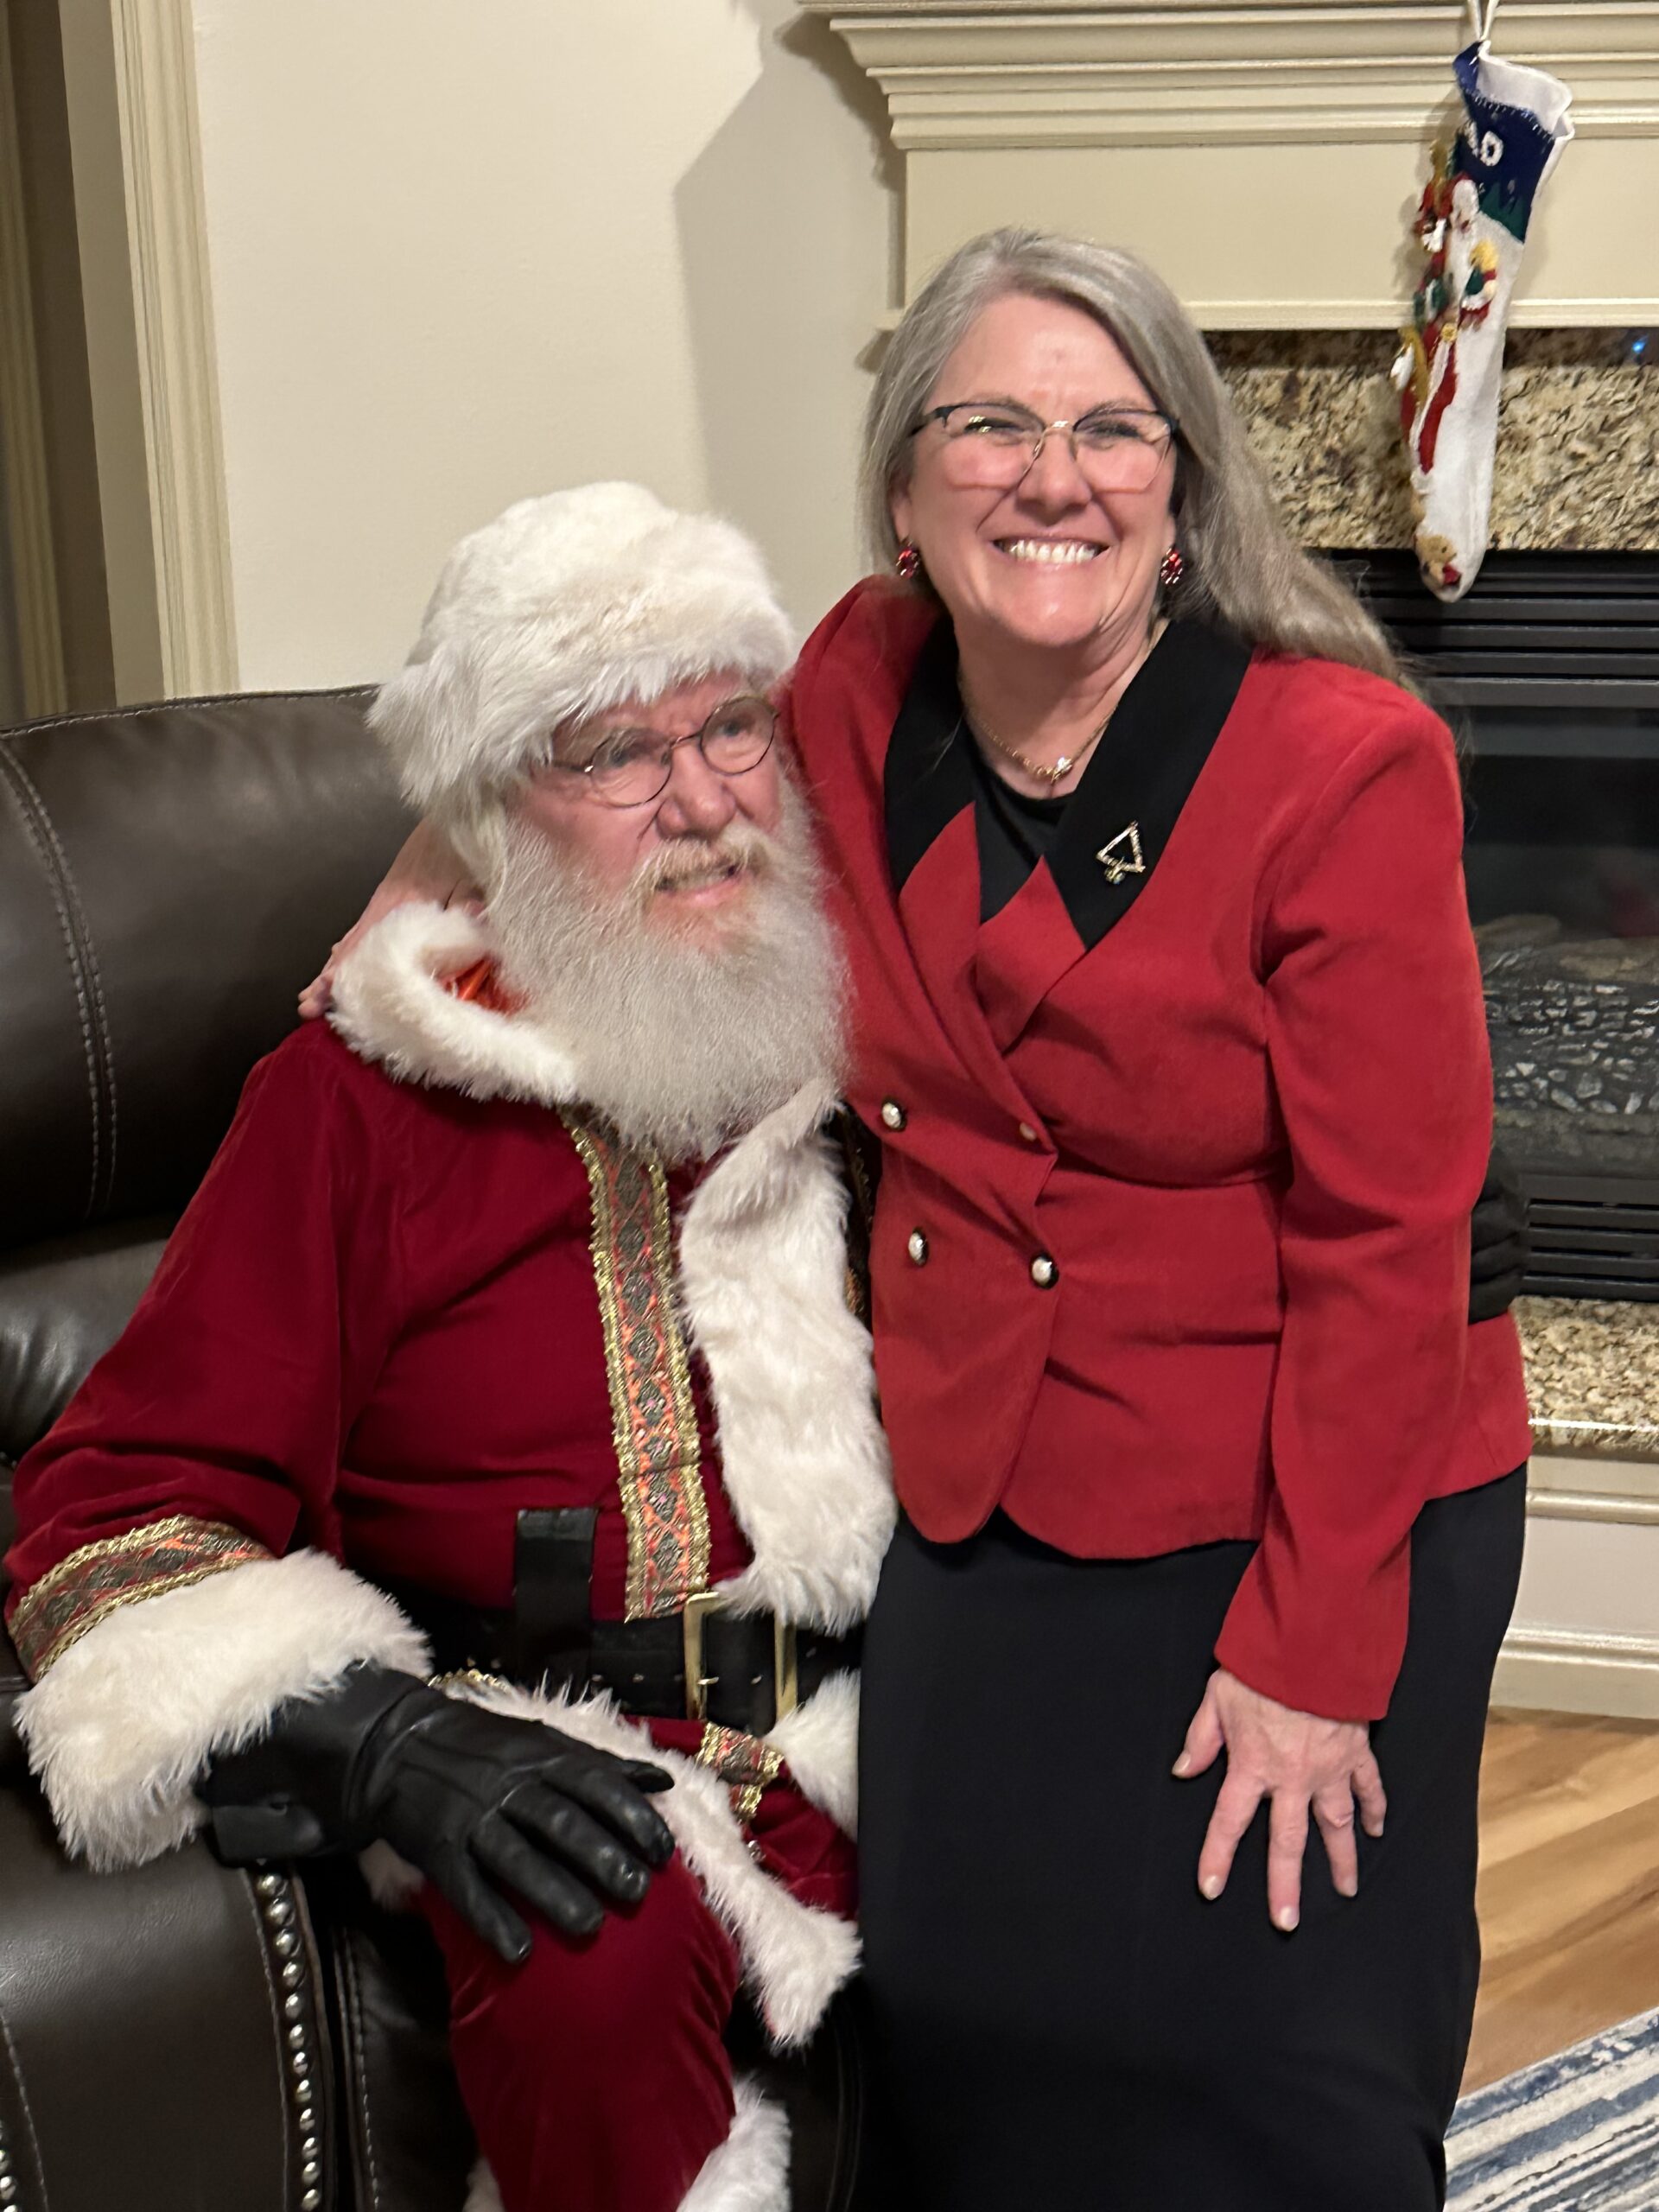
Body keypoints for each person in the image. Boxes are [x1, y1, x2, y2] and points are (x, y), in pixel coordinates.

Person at [317, 229, 1535, 2212]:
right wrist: (410, 893)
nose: (1053, 476)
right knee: (975, 2027)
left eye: (1111, 429)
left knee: (1275, 2056)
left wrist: (1318, 1648)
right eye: (990, 425)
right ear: (902, 487)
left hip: (1311, 1480)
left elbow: (1392, 1245)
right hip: (983, 1473)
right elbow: (598, 748)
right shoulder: (858, 682)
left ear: (1178, 487)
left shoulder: (1342, 764)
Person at [3, 484, 896, 2212]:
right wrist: (390, 1744)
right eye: (615, 753)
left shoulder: (856, 1020)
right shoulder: (356, 1105)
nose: (703, 801)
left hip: (884, 1709)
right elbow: (114, 1516)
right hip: (569, 1747)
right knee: (590, 1928)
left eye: (732, 726)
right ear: (492, 811)